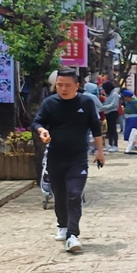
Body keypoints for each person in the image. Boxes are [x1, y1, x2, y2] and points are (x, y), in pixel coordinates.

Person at [32, 68, 104, 254]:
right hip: (56, 157)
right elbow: (37, 122)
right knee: (60, 195)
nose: (63, 89)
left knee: (74, 194)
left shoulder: (86, 102)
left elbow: (96, 128)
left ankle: (73, 235)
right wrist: (42, 131)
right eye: (59, 85)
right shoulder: (50, 103)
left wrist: (100, 152)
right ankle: (62, 225)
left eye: (67, 85)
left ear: (77, 86)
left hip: (78, 158)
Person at [100, 80, 121, 152]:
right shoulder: (108, 94)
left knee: (113, 129)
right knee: (109, 130)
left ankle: (115, 145)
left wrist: (104, 107)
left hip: (113, 112)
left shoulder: (114, 94)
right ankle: (110, 144)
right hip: (108, 113)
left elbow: (114, 104)